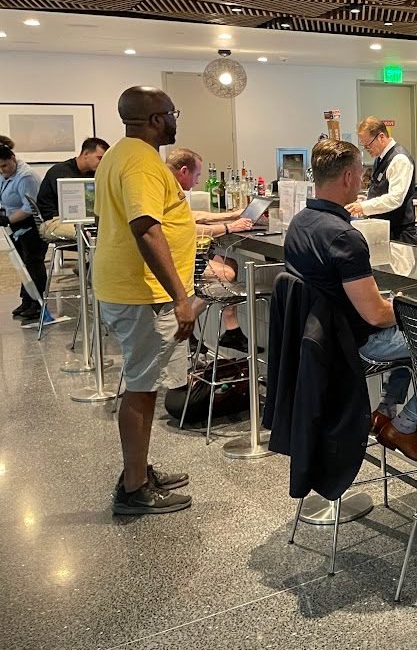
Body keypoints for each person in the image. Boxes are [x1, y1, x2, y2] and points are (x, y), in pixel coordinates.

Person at [284, 138, 417, 463]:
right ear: (348, 177)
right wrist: (406, 309)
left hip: (322, 340)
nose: (363, 181)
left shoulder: (300, 224)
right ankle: (405, 426)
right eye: (360, 174)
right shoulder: (345, 237)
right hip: (358, 344)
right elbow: (376, 315)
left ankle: (386, 410)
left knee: (415, 340)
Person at [94, 87, 196, 515]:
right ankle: (134, 488)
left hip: (128, 288)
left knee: (143, 385)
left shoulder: (118, 154)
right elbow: (146, 229)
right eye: (172, 113)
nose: (175, 120)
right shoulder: (140, 162)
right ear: (156, 119)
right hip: (143, 294)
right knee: (141, 389)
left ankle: (138, 470)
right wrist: (180, 297)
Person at [165, 147, 254, 349]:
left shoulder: (170, 187)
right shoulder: (167, 189)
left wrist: (231, 215)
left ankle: (231, 329)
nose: (198, 181)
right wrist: (229, 227)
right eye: (197, 175)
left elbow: (192, 216)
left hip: (180, 255)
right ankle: (184, 325)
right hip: (175, 260)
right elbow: (188, 228)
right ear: (184, 171)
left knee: (230, 263)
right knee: (227, 274)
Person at [346, 117, 416, 243]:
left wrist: (363, 206)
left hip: (399, 232)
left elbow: (395, 199)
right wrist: (367, 199)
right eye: (364, 146)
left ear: (381, 137)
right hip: (384, 228)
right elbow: (382, 189)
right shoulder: (380, 158)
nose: (367, 149)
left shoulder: (399, 159)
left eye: (368, 145)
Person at [0, 144, 47, 321]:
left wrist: (7, 219)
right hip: (15, 225)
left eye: (4, 165)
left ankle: (37, 303)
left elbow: (29, 208)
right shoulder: (4, 175)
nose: (2, 170)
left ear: (13, 158)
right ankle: (26, 300)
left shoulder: (26, 177)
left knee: (33, 262)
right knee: (22, 264)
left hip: (31, 225)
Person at [35, 137, 109, 240]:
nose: (102, 162)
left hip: (81, 221)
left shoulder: (93, 174)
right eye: (99, 158)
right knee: (85, 234)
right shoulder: (60, 172)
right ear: (86, 154)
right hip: (53, 221)